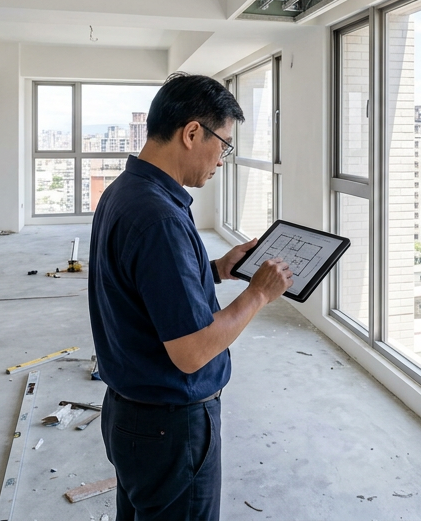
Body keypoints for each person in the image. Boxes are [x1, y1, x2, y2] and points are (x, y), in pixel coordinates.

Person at [89, 73, 294, 521]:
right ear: (192, 133)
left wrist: (218, 269)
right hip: (170, 426)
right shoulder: (161, 217)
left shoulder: (125, 193)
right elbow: (192, 350)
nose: (223, 159)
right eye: (224, 143)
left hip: (131, 416)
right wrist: (258, 294)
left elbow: (144, 286)